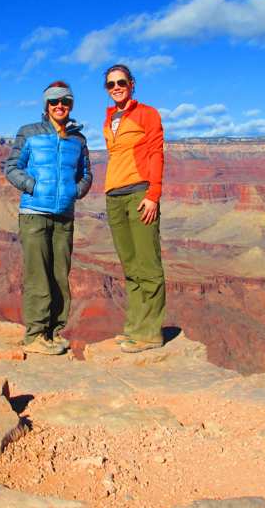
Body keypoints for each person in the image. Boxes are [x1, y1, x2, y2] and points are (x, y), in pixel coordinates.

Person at [3, 81, 92, 355]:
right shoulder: (29, 133)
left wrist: (75, 191)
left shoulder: (78, 139)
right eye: (54, 102)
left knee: (59, 276)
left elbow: (86, 174)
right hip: (34, 215)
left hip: (64, 215)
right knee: (37, 275)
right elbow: (11, 167)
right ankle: (35, 334)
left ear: (71, 104)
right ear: (46, 106)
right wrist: (33, 187)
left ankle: (54, 332)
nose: (59, 106)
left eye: (65, 101)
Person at [102, 64, 166, 353]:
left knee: (148, 264)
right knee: (130, 265)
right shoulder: (109, 118)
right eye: (111, 84)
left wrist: (153, 194)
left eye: (121, 82)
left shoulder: (147, 113)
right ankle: (134, 327)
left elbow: (155, 153)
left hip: (139, 193)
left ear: (132, 84)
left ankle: (151, 332)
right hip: (114, 196)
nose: (116, 87)